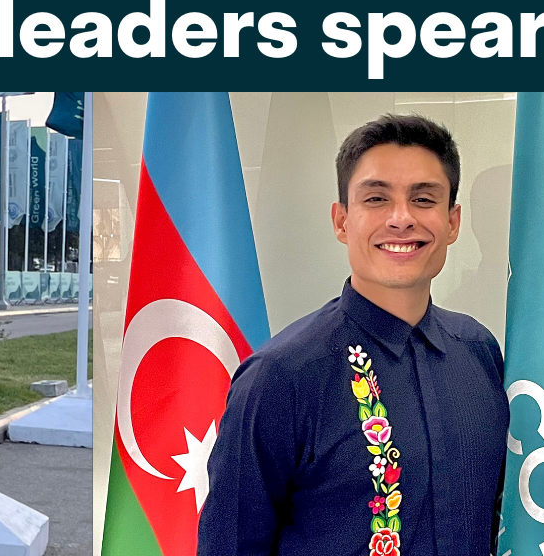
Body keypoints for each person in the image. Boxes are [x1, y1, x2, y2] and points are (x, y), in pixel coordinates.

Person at [199, 115, 506, 556]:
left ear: (453, 222)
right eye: (377, 198)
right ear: (341, 221)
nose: (402, 219)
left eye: (423, 199)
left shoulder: (478, 353)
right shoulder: (281, 378)